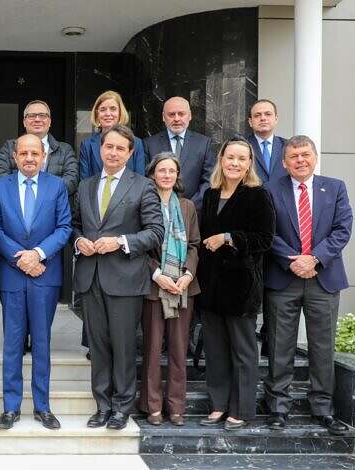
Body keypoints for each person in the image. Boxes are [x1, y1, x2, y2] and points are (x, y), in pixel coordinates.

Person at [73, 124, 163, 430]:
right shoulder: (85, 186)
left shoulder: (143, 186)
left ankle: (122, 406)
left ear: (130, 153)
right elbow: (75, 224)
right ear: (100, 148)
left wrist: (120, 242)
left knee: (123, 347)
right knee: (98, 347)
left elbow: (155, 232)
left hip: (125, 278)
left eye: (120, 148)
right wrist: (78, 241)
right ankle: (102, 405)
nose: (113, 153)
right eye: (108, 146)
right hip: (90, 277)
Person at [263, 135, 352, 435]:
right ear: (284, 162)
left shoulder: (335, 187)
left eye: (305, 154)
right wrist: (292, 261)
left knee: (323, 347)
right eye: (294, 156)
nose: (300, 160)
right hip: (283, 278)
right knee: (280, 345)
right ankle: (278, 407)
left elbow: (342, 229)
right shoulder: (270, 190)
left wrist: (314, 259)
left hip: (323, 278)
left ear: (315, 157)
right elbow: (267, 232)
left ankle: (323, 408)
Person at [0, 134, 72, 431]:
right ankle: (11, 407)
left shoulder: (57, 186)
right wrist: (21, 259)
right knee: (12, 343)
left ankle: (42, 407)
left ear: (44, 157)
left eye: (34, 153)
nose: (29, 158)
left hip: (45, 275)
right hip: (13, 275)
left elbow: (64, 227)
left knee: (41, 342)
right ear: (14, 157)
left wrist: (38, 254)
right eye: (23, 153)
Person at [197, 136, 274, 431]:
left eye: (242, 158)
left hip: (241, 287)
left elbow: (265, 239)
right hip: (211, 285)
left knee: (243, 351)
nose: (235, 163)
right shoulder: (211, 194)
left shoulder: (257, 195)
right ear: (221, 159)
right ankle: (218, 405)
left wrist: (229, 238)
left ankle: (241, 409)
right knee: (215, 351)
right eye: (230, 157)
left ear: (250, 163)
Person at [137, 152, 200, 427]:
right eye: (161, 170)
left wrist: (187, 274)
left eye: (171, 171)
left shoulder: (187, 206)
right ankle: (152, 405)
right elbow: (140, 246)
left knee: (178, 348)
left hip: (183, 287)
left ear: (177, 176)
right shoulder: (143, 203)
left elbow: (195, 244)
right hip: (154, 287)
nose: (166, 175)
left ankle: (176, 406)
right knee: (152, 347)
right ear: (152, 174)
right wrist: (157, 275)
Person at [246, 98, 288, 357]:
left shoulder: (288, 147)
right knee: (253, 287)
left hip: (284, 229)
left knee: (278, 291)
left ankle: (271, 344)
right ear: (250, 121)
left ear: (275, 118)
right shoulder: (241, 147)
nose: (263, 118)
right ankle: (248, 345)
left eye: (268, 114)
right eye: (258, 115)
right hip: (252, 227)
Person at [143, 96, 215, 211]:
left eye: (181, 114)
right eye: (171, 114)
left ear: (190, 116)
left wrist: (189, 206)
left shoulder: (204, 143)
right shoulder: (149, 144)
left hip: (194, 212)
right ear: (163, 117)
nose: (176, 119)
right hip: (158, 211)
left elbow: (209, 179)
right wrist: (161, 204)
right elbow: (146, 179)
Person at [0, 100, 79, 196]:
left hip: (53, 203)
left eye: (42, 115)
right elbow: (1, 176)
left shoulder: (65, 150)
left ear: (49, 122)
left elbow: (71, 181)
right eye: (32, 116)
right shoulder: (9, 147)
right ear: (24, 122)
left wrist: (44, 198)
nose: (37, 119)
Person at [78, 90, 146, 180]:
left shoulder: (136, 143)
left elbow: (140, 181)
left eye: (113, 109)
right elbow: (84, 182)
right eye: (103, 109)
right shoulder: (87, 145)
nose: (108, 114)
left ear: (120, 112)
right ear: (97, 114)